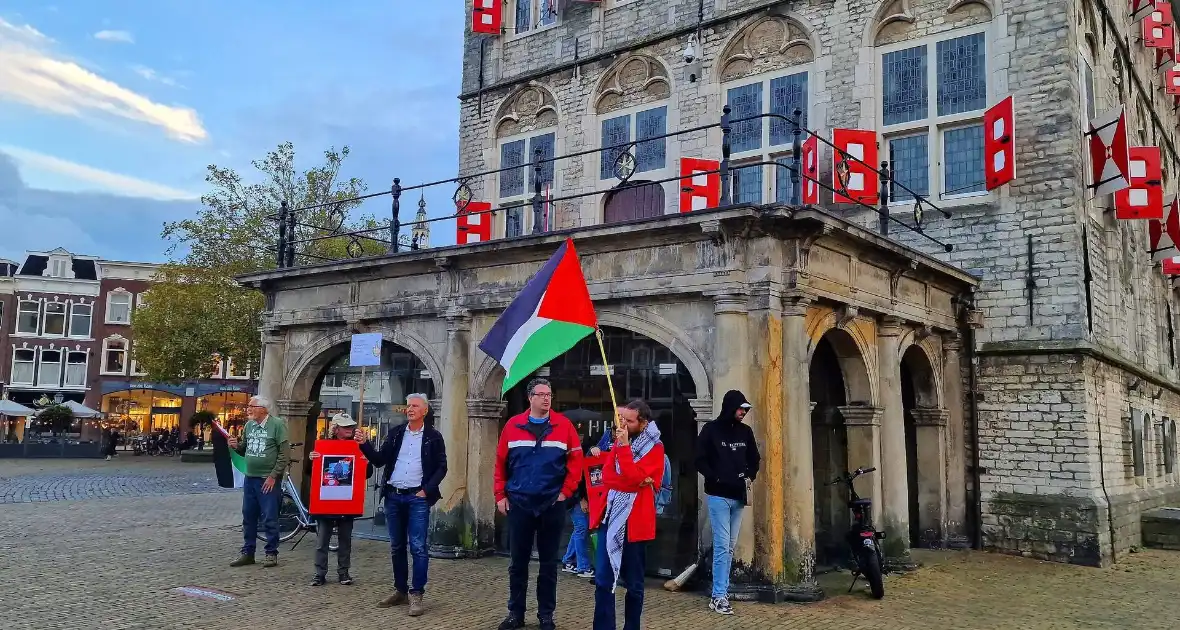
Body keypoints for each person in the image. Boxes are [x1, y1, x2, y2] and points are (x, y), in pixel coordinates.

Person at [495, 378, 583, 630]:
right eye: (541, 394)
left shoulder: (563, 426)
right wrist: (500, 495)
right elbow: (500, 463)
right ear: (530, 397)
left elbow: (576, 463)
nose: (547, 398)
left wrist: (565, 492)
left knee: (548, 564)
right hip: (519, 503)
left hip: (551, 504)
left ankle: (546, 615)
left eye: (549, 394)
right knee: (517, 563)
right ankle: (516, 613)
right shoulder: (513, 426)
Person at [358, 394, 447, 617]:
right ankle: (400, 590)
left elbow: (442, 467)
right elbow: (379, 460)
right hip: (393, 496)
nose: (410, 409)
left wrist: (425, 490)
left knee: (418, 547)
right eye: (408, 406)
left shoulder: (433, 437)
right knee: (397, 546)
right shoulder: (397, 433)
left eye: (415, 406)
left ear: (425, 411)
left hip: (417, 498)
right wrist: (364, 445)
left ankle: (416, 593)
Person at [590, 400, 665, 630]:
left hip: (636, 523)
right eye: (621, 418)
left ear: (643, 423)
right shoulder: (619, 440)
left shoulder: (655, 447)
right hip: (610, 519)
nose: (622, 423)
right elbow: (609, 476)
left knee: (634, 584)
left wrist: (623, 452)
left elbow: (632, 479)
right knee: (603, 579)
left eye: (629, 420)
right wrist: (631, 475)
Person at [695, 389, 760, 616]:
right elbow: (699, 458)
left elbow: (755, 459)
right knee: (723, 546)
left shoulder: (746, 432)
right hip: (718, 496)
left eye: (746, 409)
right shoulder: (711, 430)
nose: (743, 412)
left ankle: (721, 589)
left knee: (729, 547)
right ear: (730, 407)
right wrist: (715, 477)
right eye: (741, 408)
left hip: (739, 498)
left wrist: (749, 475)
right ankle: (719, 595)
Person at [310, 413, 373, 587]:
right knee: (322, 540)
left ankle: (343, 572)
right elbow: (311, 473)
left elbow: (367, 474)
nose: (350, 430)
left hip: (347, 501)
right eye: (345, 427)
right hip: (327, 500)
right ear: (335, 429)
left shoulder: (359, 447)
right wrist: (312, 460)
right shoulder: (322, 447)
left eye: (351, 426)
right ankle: (319, 573)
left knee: (345, 540)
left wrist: (366, 462)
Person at [227, 396, 289, 568]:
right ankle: (248, 552)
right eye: (249, 406)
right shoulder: (249, 426)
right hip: (250, 478)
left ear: (263, 409)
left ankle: (271, 553)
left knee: (270, 517)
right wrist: (234, 445)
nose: (248, 409)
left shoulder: (277, 425)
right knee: (248, 516)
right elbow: (243, 448)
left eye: (252, 406)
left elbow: (284, 454)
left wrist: (273, 476)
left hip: (267, 479)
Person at [561, 426, 596, 579]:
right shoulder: (570, 453)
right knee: (581, 530)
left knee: (579, 530)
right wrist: (581, 499)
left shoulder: (581, 450)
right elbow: (576, 478)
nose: (579, 437)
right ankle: (583, 567)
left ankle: (568, 561)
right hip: (574, 498)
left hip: (574, 497)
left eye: (581, 434)